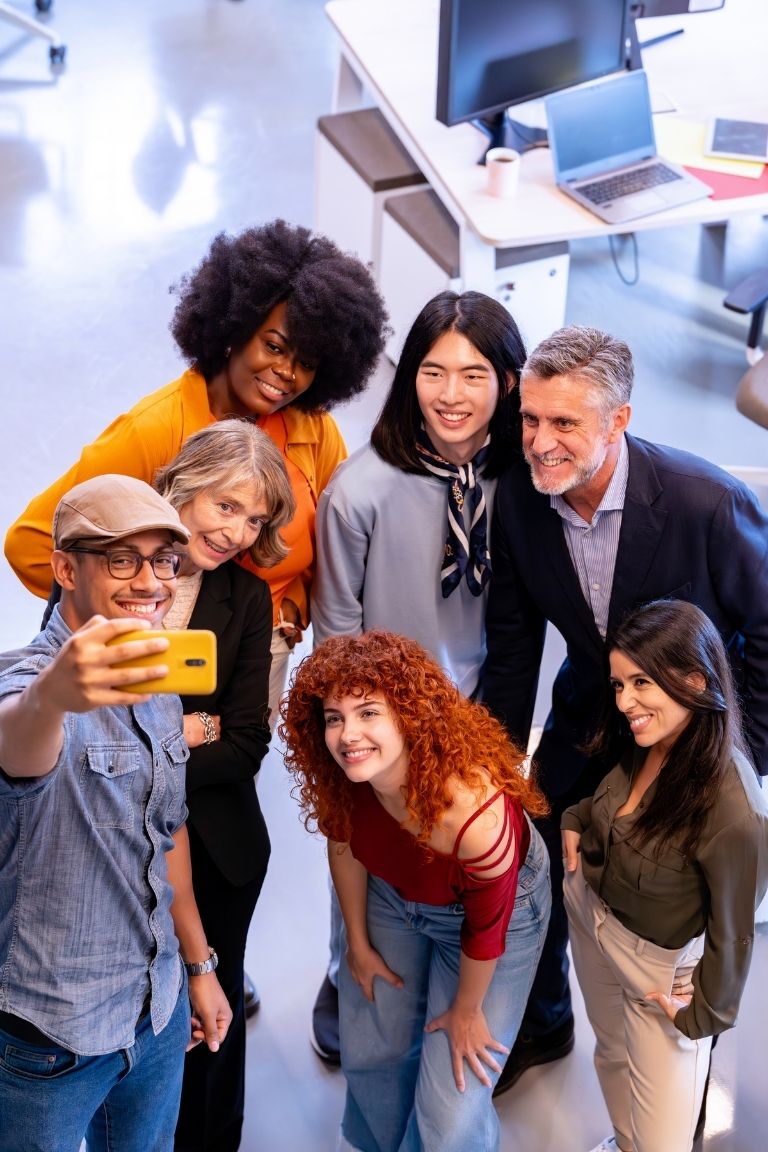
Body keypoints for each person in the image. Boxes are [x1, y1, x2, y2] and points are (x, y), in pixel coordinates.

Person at [482, 325, 768, 1099]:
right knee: (533, 857)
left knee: (676, 901)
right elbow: (512, 646)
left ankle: (678, 1061)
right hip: (586, 718)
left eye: (564, 424)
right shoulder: (518, 497)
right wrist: (495, 763)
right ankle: (543, 1021)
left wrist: (741, 759)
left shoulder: (708, 503)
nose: (539, 444)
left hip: (691, 738)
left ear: (620, 421)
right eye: (530, 420)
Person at [4, 218, 388, 721]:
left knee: (222, 778)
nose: (287, 374)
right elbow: (31, 544)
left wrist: (292, 598)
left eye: (306, 361)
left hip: (258, 653)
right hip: (158, 651)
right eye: (273, 346)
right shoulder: (154, 429)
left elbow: (329, 542)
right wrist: (128, 609)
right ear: (233, 330)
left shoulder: (314, 432)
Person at [309, 289, 526, 1062]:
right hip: (384, 720)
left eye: (474, 375)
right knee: (365, 843)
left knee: (477, 852)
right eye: (433, 372)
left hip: (484, 706)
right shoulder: (359, 492)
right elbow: (334, 633)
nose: (451, 395)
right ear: (409, 379)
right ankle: (347, 965)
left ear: (508, 380)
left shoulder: (521, 481)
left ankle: (482, 984)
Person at [0, 475, 232, 1152]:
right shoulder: (25, 683)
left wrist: (197, 968)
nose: (151, 582)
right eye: (121, 559)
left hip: (156, 1018)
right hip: (52, 1042)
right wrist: (53, 697)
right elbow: (17, 737)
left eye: (163, 561)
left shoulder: (157, 683)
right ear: (65, 568)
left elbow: (166, 836)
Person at [281, 630, 551, 1152]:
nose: (347, 735)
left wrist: (467, 1011)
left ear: (409, 715)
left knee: (450, 1104)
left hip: (491, 922)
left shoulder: (473, 814)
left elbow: (487, 928)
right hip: (390, 893)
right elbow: (344, 848)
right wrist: (355, 945)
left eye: (367, 712)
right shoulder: (346, 774)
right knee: (372, 1047)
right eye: (334, 718)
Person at [562, 599, 768, 1152]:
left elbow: (734, 931)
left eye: (641, 683)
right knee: (610, 1054)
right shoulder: (649, 738)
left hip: (657, 969)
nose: (625, 702)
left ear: (695, 681)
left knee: (664, 1139)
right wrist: (578, 818)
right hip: (591, 917)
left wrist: (704, 1014)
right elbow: (617, 805)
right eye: (618, 684)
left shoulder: (734, 808)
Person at [152, 421, 295, 1151]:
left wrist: (138, 745)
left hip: (217, 848)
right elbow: (67, 703)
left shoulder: (247, 598)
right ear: (183, 485)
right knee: (138, 1016)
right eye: (225, 506)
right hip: (113, 839)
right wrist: (184, 729)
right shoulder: (109, 565)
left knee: (211, 1013)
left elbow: (243, 744)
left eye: (256, 518)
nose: (238, 532)